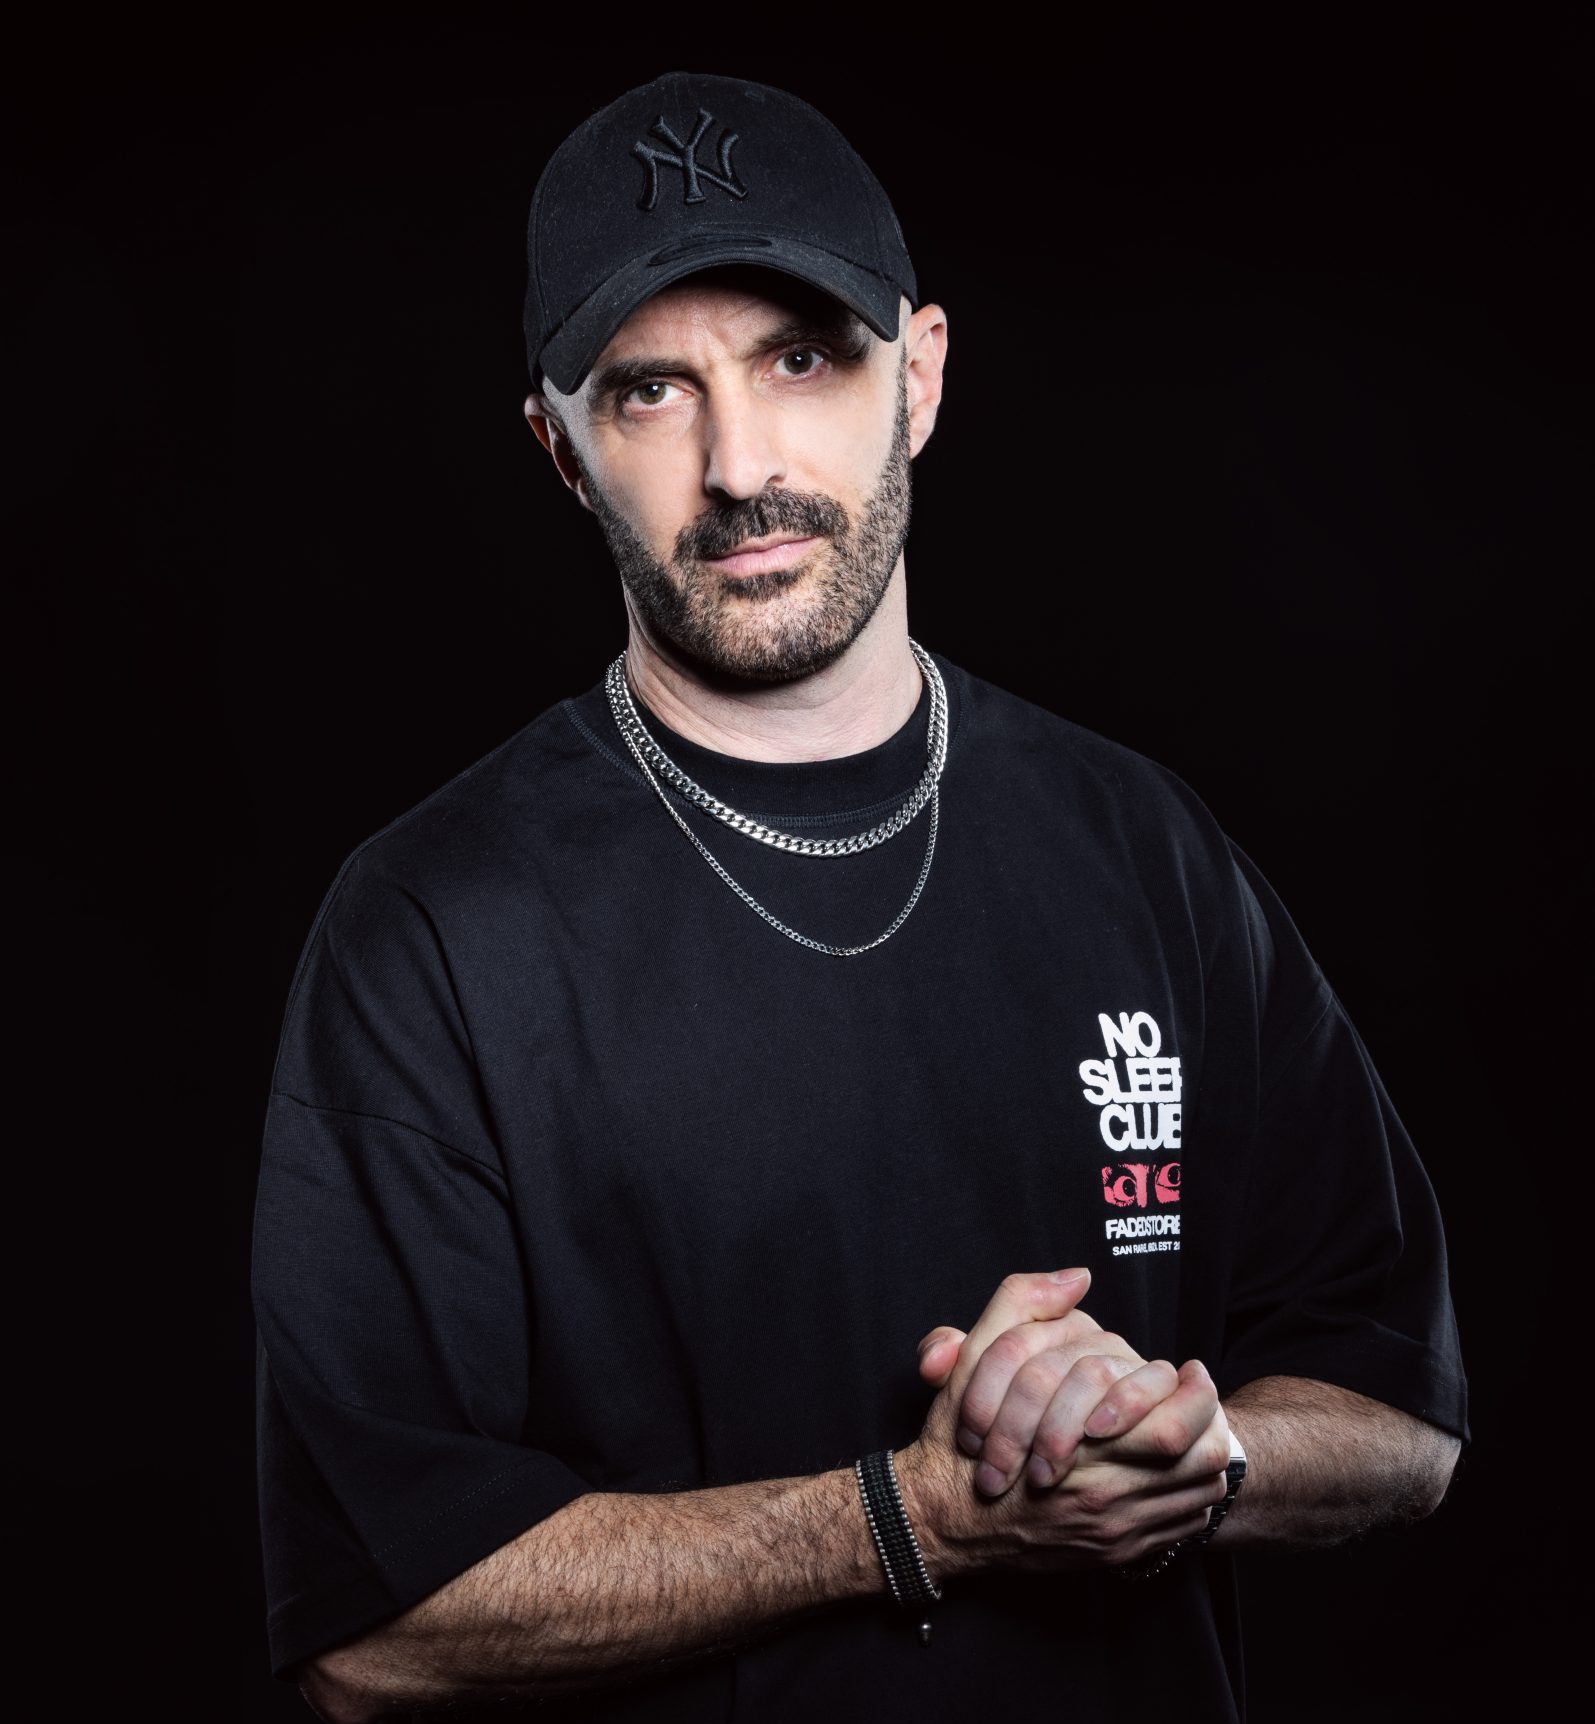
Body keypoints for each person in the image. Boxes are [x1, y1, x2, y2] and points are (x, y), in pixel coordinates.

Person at [252, 69, 1467, 1722]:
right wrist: (905, 1522)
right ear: (560, 450)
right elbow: (372, 1625)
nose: (740, 462)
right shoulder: (432, 933)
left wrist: (1197, 1453)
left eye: (802, 359)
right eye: (651, 392)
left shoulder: (1144, 847)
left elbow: (1401, 1411)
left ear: (924, 376)